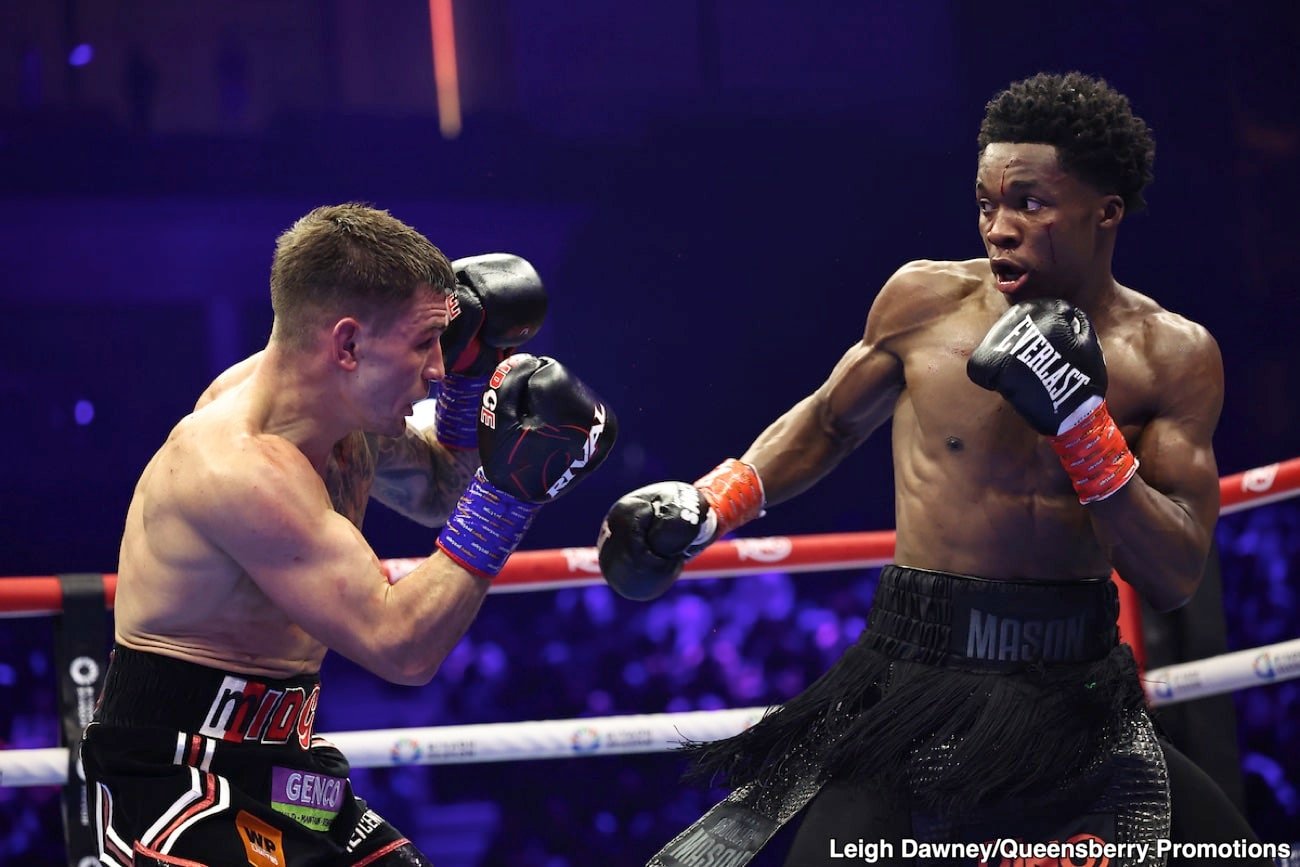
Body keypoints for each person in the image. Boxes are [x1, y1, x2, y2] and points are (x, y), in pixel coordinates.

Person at [598, 72, 1268, 865]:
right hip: (914, 672)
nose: (1000, 229)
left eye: (1030, 203)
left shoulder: (1172, 355)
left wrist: (1083, 428)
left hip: (1075, 685)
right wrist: (712, 502)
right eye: (987, 203)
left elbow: (1177, 573)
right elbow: (828, 420)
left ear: (1106, 212)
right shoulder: (925, 301)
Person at [80, 203, 617, 866]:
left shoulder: (336, 408)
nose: (438, 368)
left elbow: (438, 491)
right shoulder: (238, 467)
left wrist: (473, 379)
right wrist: (509, 495)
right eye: (425, 344)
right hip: (175, 778)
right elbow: (403, 648)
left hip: (283, 762)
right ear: (348, 345)